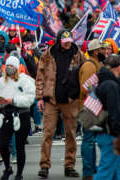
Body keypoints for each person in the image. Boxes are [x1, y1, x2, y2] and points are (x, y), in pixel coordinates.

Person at [36, 30, 84, 178]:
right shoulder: (48, 54)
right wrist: (39, 97)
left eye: (69, 40)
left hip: (70, 100)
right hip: (51, 99)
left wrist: (81, 97)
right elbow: (40, 76)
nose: (68, 43)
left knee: (71, 134)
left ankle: (69, 166)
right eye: (65, 41)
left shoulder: (78, 54)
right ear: (59, 40)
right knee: (47, 133)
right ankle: (44, 166)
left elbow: (84, 74)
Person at [0, 56, 35, 180]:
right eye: (8, 65)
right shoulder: (2, 81)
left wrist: (14, 100)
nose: (9, 68)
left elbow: (30, 98)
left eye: (12, 66)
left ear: (16, 67)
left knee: (19, 145)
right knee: (3, 144)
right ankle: (8, 168)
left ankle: (19, 173)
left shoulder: (25, 81)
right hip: (7, 114)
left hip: (22, 115)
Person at [93, 55, 120, 180]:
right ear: (118, 68)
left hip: (103, 131)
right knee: (105, 172)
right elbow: (115, 112)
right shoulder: (111, 85)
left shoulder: (101, 81)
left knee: (118, 170)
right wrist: (119, 134)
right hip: (111, 133)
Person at [78, 39, 105, 180]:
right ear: (95, 51)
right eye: (102, 49)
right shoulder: (89, 66)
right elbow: (86, 88)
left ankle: (92, 170)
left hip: (93, 107)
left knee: (91, 140)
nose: (105, 51)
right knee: (88, 141)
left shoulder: (96, 64)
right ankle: (88, 172)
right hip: (89, 108)